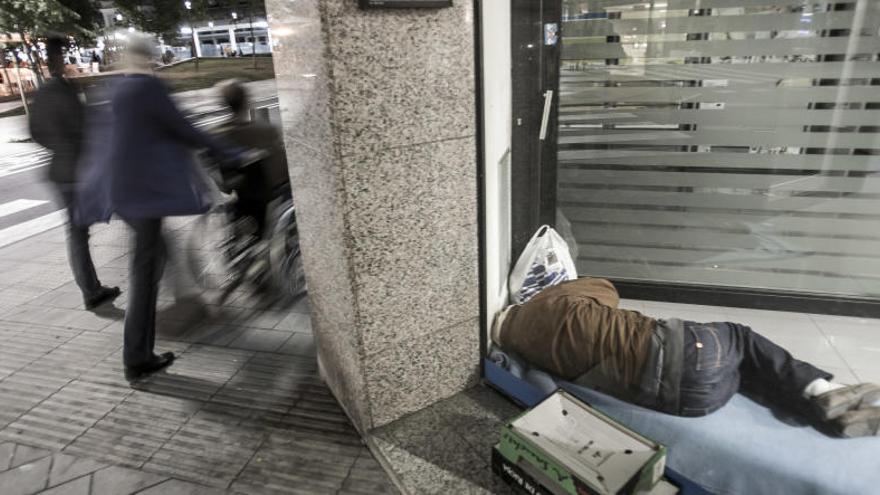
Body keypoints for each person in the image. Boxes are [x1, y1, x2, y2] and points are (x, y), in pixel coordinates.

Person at [492, 277, 880, 438]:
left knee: (746, 373)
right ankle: (821, 388)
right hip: (690, 355)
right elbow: (606, 289)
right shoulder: (556, 304)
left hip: (691, 402)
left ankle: (823, 411)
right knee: (741, 340)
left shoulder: (526, 355)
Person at [77, 37, 237, 382]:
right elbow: (185, 129)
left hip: (122, 195)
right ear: (150, 60)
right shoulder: (147, 89)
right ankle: (137, 357)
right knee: (144, 273)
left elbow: (100, 144)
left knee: (152, 261)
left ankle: (144, 345)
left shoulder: (111, 89)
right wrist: (233, 153)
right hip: (143, 196)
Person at [28, 35, 120, 310]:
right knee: (80, 233)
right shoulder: (64, 92)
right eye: (64, 57)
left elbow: (35, 132)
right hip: (74, 171)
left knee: (77, 232)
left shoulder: (42, 93)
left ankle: (91, 288)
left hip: (60, 170)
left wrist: (58, 147)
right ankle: (91, 291)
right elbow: (84, 128)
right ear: (57, 60)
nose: (68, 63)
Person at [213, 79, 290, 238]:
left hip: (238, 196)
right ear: (247, 102)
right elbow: (281, 169)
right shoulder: (266, 130)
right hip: (266, 197)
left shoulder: (219, 133)